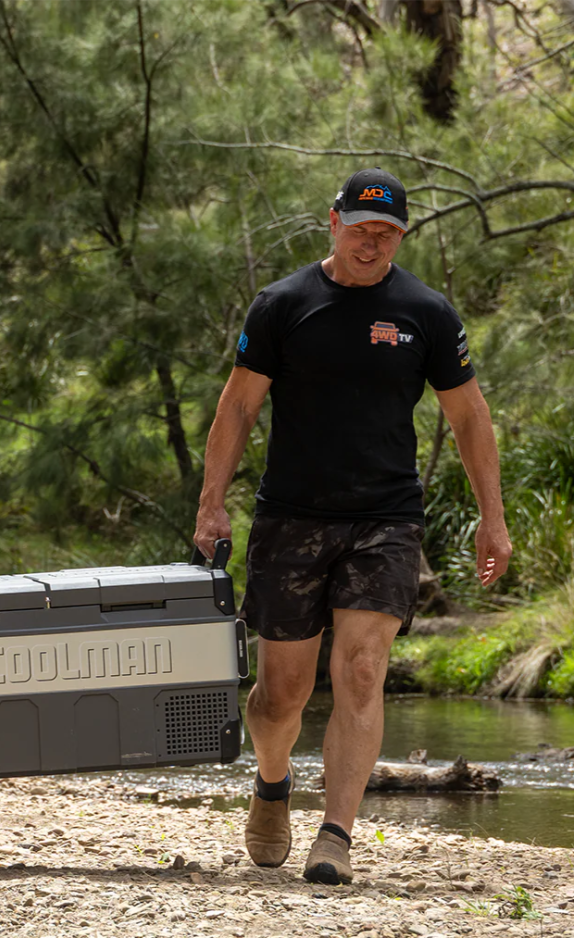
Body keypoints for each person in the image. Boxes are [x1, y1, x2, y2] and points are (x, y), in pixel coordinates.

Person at [193, 168, 511, 885]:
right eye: (363, 228)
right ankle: (272, 784)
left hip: (385, 518)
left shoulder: (426, 314)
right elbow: (237, 409)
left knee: (363, 669)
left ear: (401, 237)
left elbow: (468, 416)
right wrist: (212, 503)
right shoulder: (283, 305)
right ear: (332, 223)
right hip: (292, 515)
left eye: (388, 233)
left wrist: (492, 518)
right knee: (281, 695)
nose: (374, 243)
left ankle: (335, 834)